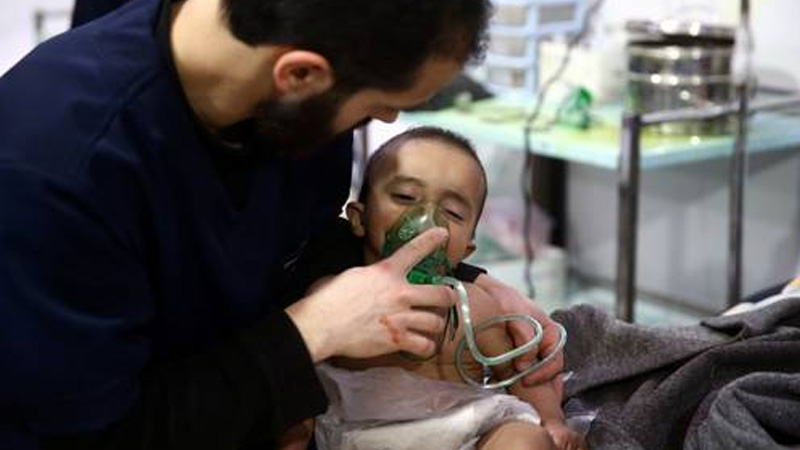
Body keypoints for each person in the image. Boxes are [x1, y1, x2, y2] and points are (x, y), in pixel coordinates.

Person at [0, 0, 562, 449]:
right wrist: (308, 331)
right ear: (300, 74)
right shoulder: (56, 173)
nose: (387, 121)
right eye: (378, 107)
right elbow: (95, 431)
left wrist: (477, 285)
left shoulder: (289, 108)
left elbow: (312, 246)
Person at [286, 127, 586, 450]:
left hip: (466, 431)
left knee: (525, 441)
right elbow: (295, 385)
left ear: (468, 249)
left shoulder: (474, 306)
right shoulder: (333, 297)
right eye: (404, 197)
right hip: (364, 438)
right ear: (359, 218)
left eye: (453, 213)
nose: (427, 219)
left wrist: (552, 420)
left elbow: (520, 372)